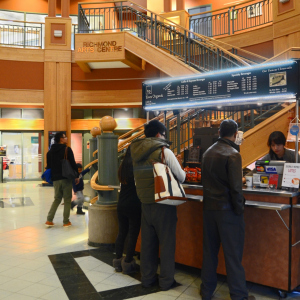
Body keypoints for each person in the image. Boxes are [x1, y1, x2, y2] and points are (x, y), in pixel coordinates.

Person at [200, 119, 255, 300]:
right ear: (235, 134)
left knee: (209, 252)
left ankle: (206, 291)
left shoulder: (207, 152)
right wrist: (239, 210)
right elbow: (236, 189)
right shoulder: (232, 154)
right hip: (227, 211)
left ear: (219, 133)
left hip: (208, 209)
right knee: (232, 255)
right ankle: (239, 295)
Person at [130, 119, 186, 291]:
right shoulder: (164, 151)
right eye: (163, 134)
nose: (164, 137)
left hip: (145, 203)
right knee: (167, 244)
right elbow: (182, 177)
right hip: (163, 203)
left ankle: (147, 279)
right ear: (158, 135)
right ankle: (166, 281)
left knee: (147, 245)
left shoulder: (135, 152)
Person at [112, 146, 141, 275]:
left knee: (122, 232)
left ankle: (118, 260)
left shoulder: (122, 167)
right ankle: (128, 262)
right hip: (133, 204)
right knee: (133, 234)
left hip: (121, 203)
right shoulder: (138, 167)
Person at [45, 132, 78, 228]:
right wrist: (77, 175)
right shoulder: (67, 149)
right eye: (65, 137)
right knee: (67, 199)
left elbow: (49, 166)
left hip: (55, 179)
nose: (66, 138)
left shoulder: (50, 152)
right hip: (66, 177)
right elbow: (73, 163)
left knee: (57, 199)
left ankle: (49, 219)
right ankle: (66, 221)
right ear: (61, 139)